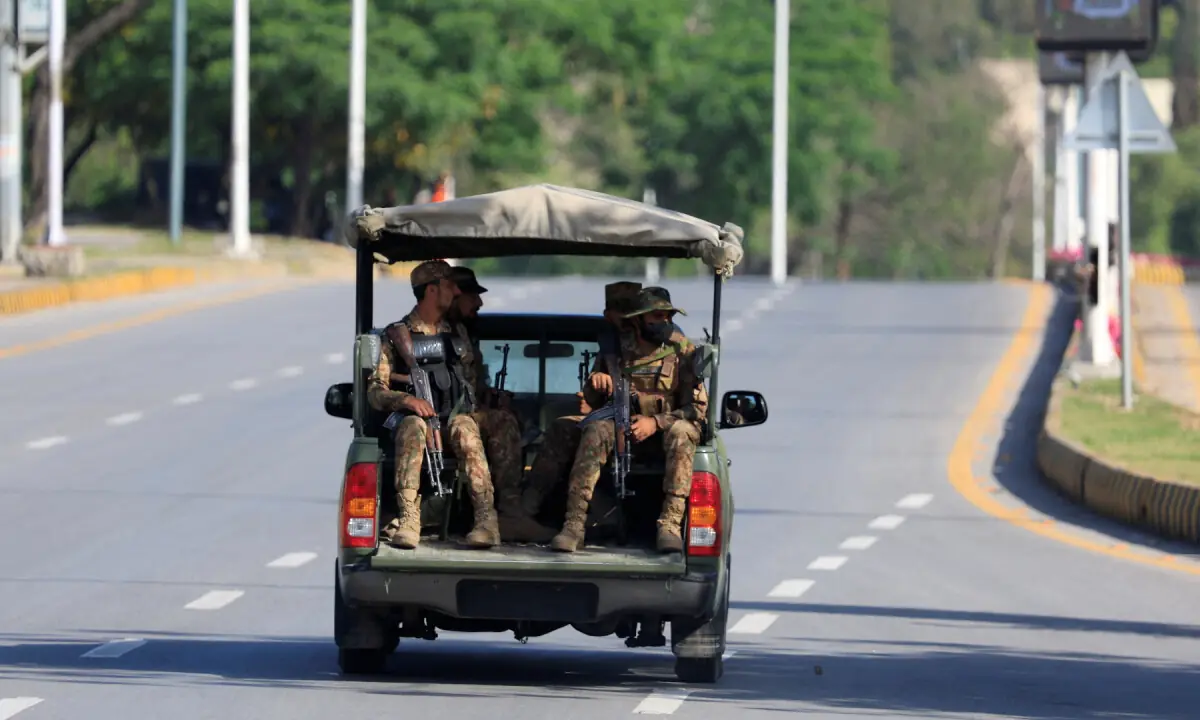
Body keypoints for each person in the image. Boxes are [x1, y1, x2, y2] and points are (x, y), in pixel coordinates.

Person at [365, 260, 532, 550]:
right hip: (419, 424)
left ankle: (488, 520)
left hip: (457, 421)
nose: (456, 291)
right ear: (432, 290)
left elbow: (469, 383)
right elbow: (375, 391)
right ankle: (408, 518)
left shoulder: (457, 334)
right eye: (448, 285)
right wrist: (406, 399)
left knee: (474, 422)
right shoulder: (396, 336)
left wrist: (490, 398)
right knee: (411, 424)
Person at [550, 287, 708, 554]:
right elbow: (592, 400)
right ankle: (574, 525)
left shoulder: (682, 349)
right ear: (637, 320)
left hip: (665, 434)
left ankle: (669, 524)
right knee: (596, 429)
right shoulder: (616, 349)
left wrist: (655, 422)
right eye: (656, 317)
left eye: (667, 316)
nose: (664, 323)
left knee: (683, 432)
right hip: (620, 429)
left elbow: (697, 408)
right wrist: (598, 383)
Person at [444, 265, 558, 543]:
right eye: (472, 296)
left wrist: (494, 399)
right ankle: (485, 519)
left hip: (467, 415)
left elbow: (472, 388)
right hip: (438, 423)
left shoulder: (463, 335)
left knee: (504, 419)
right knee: (465, 427)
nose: (479, 303)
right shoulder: (426, 334)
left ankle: (511, 514)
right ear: (453, 296)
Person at [520, 281, 642, 522]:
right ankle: (525, 511)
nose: (629, 319)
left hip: (647, 425)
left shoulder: (662, 345)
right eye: (622, 311)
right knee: (562, 427)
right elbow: (592, 396)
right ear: (609, 315)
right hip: (611, 422)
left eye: (633, 311)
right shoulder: (610, 347)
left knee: (595, 430)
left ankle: (585, 519)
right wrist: (596, 384)